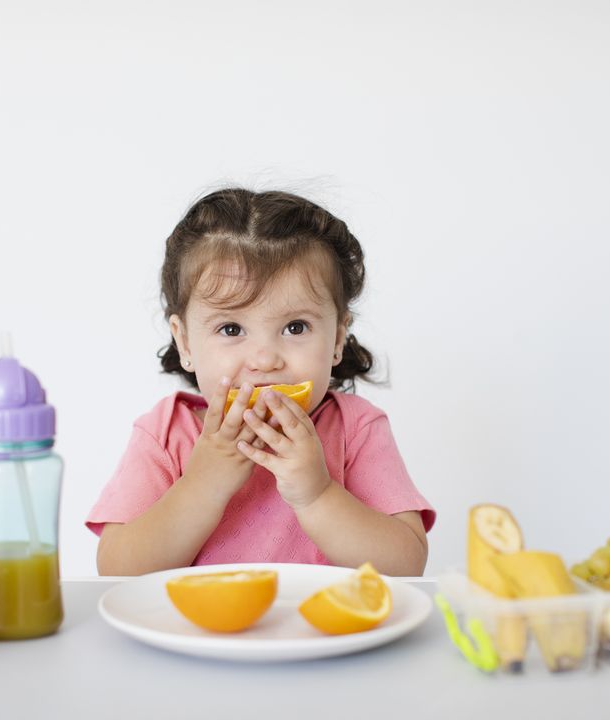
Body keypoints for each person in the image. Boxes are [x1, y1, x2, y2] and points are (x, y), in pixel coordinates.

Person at [87, 188, 435, 576]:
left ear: (337, 339)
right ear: (184, 341)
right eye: (232, 328)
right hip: (202, 635)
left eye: (295, 327)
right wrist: (203, 484)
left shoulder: (356, 429)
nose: (265, 359)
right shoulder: (166, 433)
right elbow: (117, 570)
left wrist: (317, 494)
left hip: (324, 632)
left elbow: (407, 566)